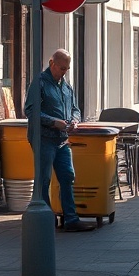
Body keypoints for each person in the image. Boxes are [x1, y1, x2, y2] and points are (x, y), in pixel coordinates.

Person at [23, 49, 95, 232]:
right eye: (62, 68)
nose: (64, 72)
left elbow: (75, 109)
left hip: (62, 140)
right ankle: (46, 220)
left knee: (67, 176)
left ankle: (71, 219)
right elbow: (30, 111)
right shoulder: (39, 83)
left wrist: (75, 121)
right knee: (44, 179)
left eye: (67, 69)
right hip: (44, 139)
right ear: (51, 63)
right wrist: (54, 122)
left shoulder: (66, 86)